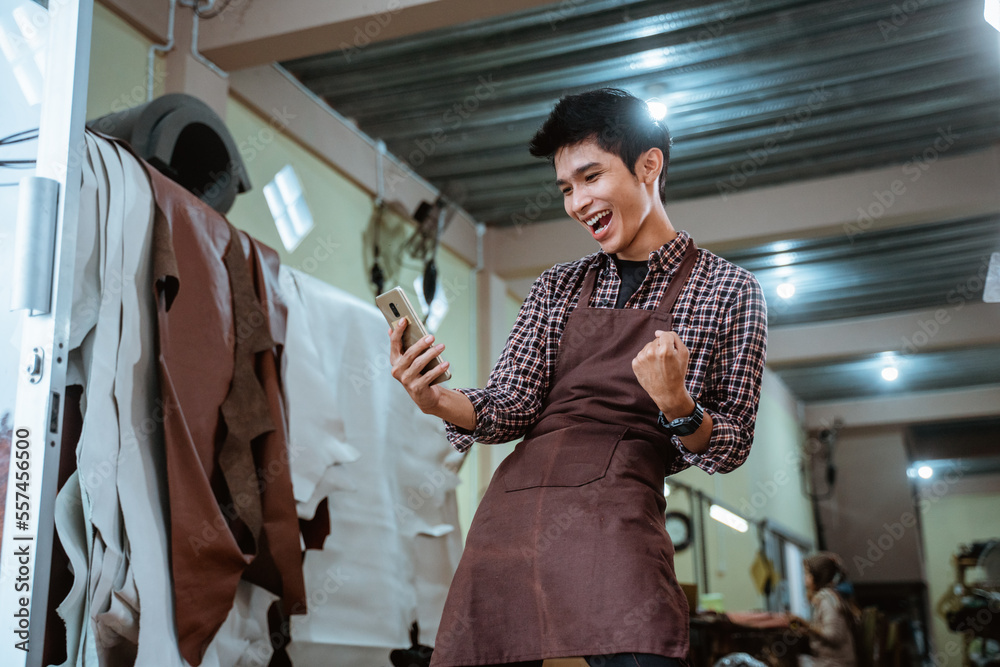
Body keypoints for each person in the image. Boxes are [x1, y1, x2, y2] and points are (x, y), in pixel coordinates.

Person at [389, 88, 767, 667]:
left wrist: (678, 404)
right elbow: (511, 405)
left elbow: (729, 447)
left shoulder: (728, 290)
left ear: (649, 165)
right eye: (566, 188)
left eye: (591, 177)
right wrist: (436, 398)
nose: (577, 202)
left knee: (644, 653)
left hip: (618, 521)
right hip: (511, 520)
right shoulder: (557, 287)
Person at [798, 552, 859, 667]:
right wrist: (808, 630)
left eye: (807, 575)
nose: (805, 581)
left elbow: (833, 635)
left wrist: (806, 625)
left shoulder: (827, 601)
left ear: (817, 577)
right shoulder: (830, 597)